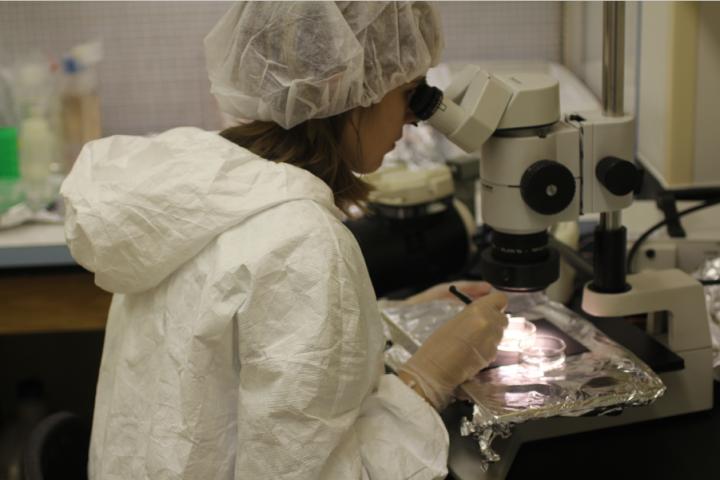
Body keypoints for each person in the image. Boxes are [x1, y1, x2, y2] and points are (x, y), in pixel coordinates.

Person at [61, 2, 508, 479]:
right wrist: (430, 377)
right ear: (343, 84)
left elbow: (231, 359)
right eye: (410, 93)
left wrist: (378, 324)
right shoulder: (303, 242)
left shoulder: (199, 194)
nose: (416, 120)